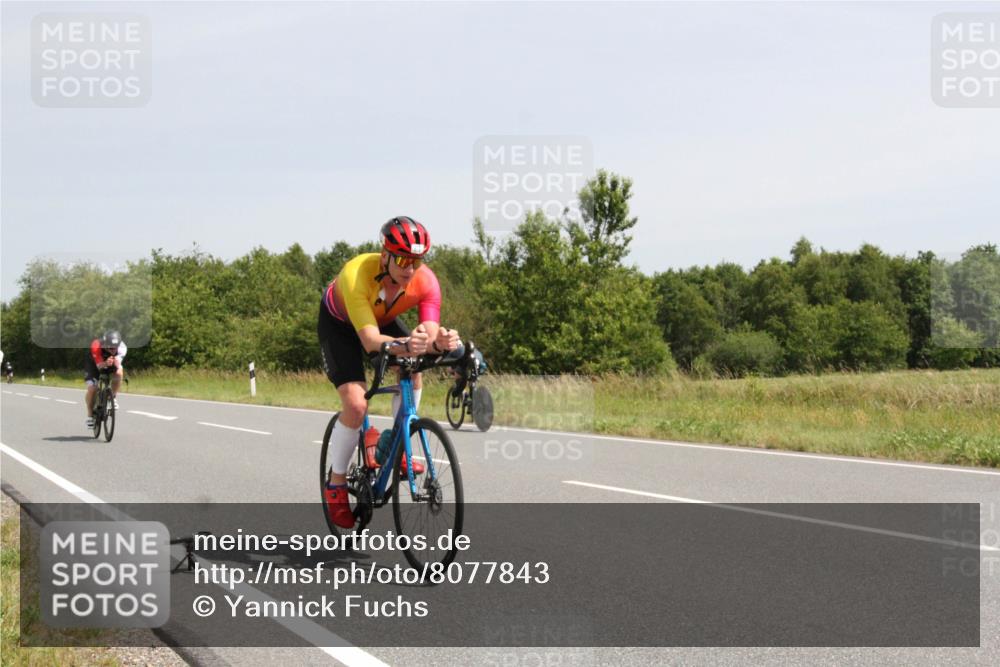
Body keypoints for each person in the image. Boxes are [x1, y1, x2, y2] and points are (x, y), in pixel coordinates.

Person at [318, 216, 460, 528]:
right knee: (356, 404)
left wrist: (442, 341)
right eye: (403, 260)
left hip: (380, 320)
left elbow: (430, 334)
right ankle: (336, 483)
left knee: (414, 368)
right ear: (385, 256)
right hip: (340, 326)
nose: (410, 269)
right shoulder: (357, 274)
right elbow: (369, 341)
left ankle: (396, 445)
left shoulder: (426, 281)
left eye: (417, 261)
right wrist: (408, 343)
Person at [85, 330, 127, 428]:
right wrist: (105, 363)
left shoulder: (122, 347)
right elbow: (99, 366)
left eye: (115, 347)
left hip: (110, 362)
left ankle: (113, 397)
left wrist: (112, 362)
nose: (113, 350)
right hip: (93, 364)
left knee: (119, 372)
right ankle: (90, 415)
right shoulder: (96, 345)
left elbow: (117, 364)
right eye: (110, 347)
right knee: (92, 389)